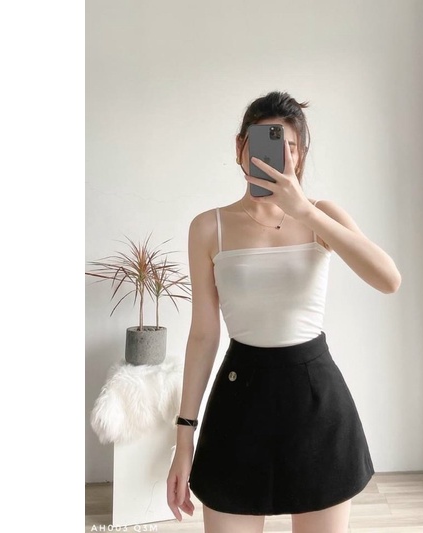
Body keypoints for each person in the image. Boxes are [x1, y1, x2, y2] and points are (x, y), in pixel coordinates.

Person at [167, 91, 401, 533]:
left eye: (289, 146)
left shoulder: (322, 216)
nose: (278, 155)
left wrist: (304, 211)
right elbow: (203, 334)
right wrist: (184, 438)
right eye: (263, 143)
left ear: (301, 155)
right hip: (239, 402)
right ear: (240, 148)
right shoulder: (208, 227)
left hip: (317, 404)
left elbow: (388, 279)